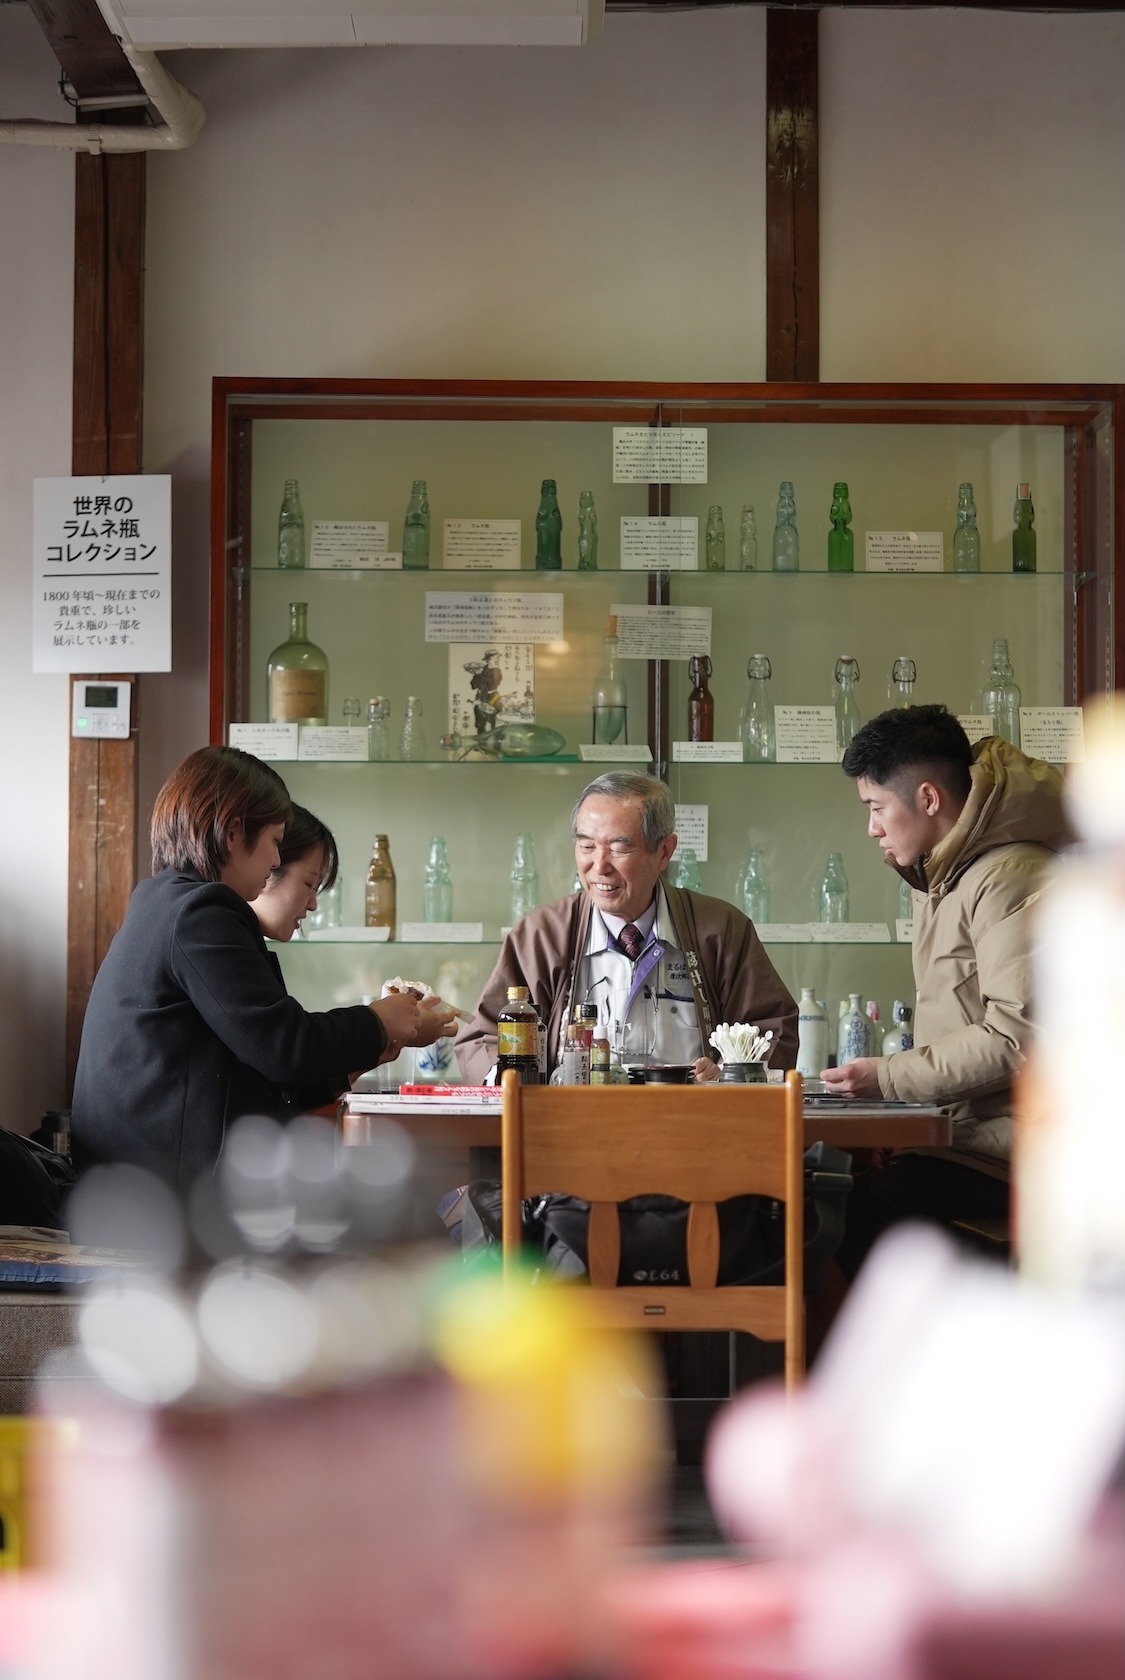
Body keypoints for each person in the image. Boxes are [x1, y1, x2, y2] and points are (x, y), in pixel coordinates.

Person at [72, 747, 455, 1186]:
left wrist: (377, 1039)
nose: (275, 859)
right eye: (275, 839)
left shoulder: (164, 902)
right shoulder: (201, 912)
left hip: (130, 1185)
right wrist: (377, 1021)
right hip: (162, 1199)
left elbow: (259, 1065)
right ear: (235, 832)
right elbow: (284, 1048)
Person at [822, 705, 1072, 1275]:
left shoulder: (1011, 876)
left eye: (876, 808)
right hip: (968, 1140)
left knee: (857, 1211)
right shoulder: (944, 876)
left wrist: (888, 1078)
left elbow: (1014, 1038)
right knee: (827, 1184)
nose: (872, 828)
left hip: (1022, 1154)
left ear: (929, 800)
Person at [456, 770, 797, 1083]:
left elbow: (772, 1028)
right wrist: (508, 1081)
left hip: (692, 1127)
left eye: (619, 848)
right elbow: (482, 1038)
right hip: (568, 1128)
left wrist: (729, 1073)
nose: (598, 866)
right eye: (586, 846)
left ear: (664, 852)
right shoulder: (542, 935)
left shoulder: (721, 930)